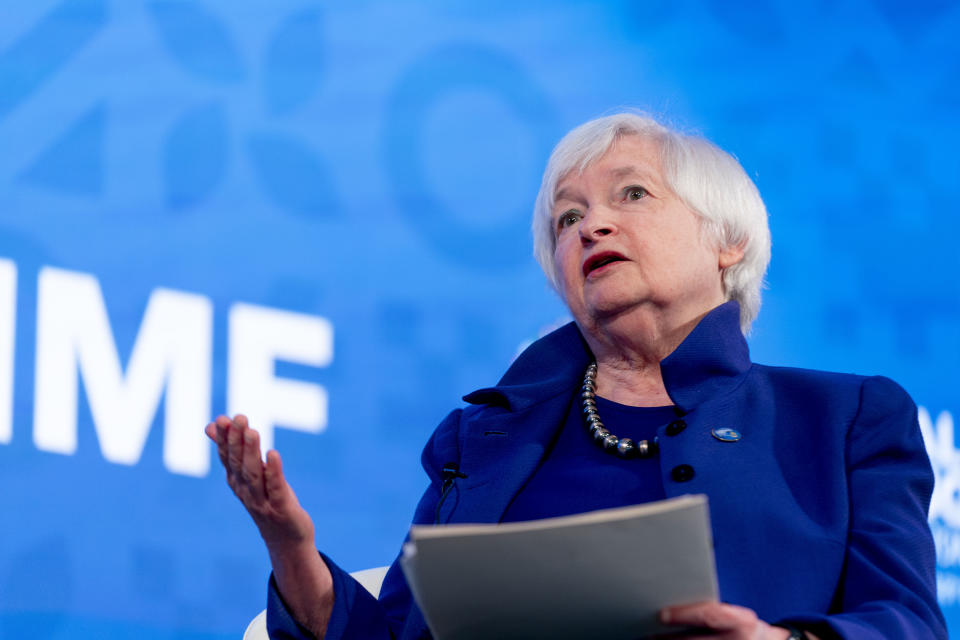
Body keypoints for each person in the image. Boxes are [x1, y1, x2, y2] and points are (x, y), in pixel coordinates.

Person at [206, 112, 946, 639]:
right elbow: (395, 637)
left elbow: (908, 623)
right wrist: (293, 551)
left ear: (728, 242)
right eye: (566, 219)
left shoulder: (844, 419)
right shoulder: (481, 440)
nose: (590, 227)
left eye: (632, 195)